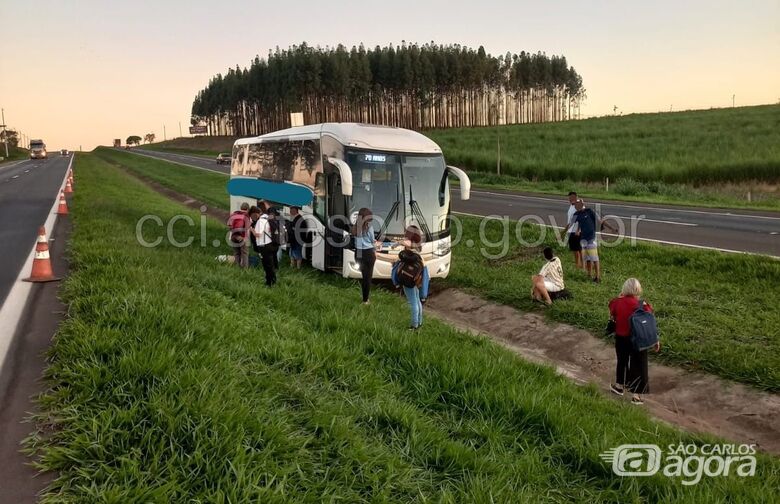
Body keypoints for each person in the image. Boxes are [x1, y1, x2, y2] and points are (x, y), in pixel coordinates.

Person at [608, 278, 660, 405]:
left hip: (621, 338)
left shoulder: (617, 302)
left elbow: (612, 310)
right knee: (639, 364)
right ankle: (637, 396)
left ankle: (620, 386)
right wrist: (655, 339)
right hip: (639, 339)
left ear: (624, 289)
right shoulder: (643, 305)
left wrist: (619, 298)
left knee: (622, 361)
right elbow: (649, 323)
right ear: (638, 290)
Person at [572, 199, 617, 283]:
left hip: (591, 238)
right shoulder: (577, 214)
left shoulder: (589, 211)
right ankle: (589, 274)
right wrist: (578, 230)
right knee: (587, 258)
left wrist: (611, 228)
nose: (576, 206)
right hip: (583, 239)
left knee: (595, 258)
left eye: (577, 204)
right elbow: (580, 223)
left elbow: (600, 220)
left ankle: (598, 277)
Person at [396, 225, 425, 330]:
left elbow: (401, 253)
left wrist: (398, 243)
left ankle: (414, 325)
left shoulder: (410, 248)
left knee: (413, 302)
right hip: (417, 278)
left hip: (408, 278)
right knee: (417, 300)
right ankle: (419, 322)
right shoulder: (418, 246)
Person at [351, 207, 379, 304]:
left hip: (358, 253)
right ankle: (365, 300)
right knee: (368, 277)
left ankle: (365, 298)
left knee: (364, 277)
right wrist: (377, 244)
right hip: (368, 253)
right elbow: (372, 241)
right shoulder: (369, 228)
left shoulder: (355, 228)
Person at [252, 206, 277, 286]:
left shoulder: (261, 221)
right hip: (271, 244)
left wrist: (251, 230)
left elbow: (258, 234)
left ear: (256, 213)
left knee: (267, 265)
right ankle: (273, 280)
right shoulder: (268, 217)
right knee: (270, 264)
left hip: (264, 246)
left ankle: (269, 283)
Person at [561, 191, 583, 270]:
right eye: (570, 198)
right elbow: (570, 221)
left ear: (576, 197)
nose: (571, 199)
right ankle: (581, 265)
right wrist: (564, 232)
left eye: (573, 197)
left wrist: (578, 230)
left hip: (576, 231)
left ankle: (578, 266)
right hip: (571, 230)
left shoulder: (579, 206)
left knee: (576, 250)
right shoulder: (571, 206)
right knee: (578, 249)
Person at [227, 202, 251, 268]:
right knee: (245, 254)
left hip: (233, 236)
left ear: (241, 208)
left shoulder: (234, 214)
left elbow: (229, 226)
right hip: (242, 237)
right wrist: (246, 238)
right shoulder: (246, 216)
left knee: (236, 253)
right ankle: (245, 270)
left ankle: (236, 268)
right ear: (248, 209)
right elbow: (247, 228)